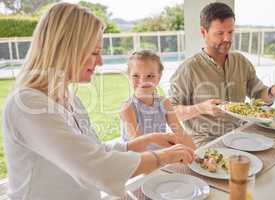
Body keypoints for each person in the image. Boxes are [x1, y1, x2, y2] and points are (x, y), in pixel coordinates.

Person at [2, 3, 195, 200]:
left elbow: (93, 149)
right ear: (65, 49)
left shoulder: (70, 99)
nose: (101, 62)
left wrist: (150, 139)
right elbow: (96, 166)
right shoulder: (28, 104)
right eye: (94, 53)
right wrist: (164, 156)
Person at [169, 2, 275, 146]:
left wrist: (272, 92)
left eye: (230, 32)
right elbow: (170, 111)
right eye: (220, 33)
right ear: (203, 32)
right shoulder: (189, 69)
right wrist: (201, 108)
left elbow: (259, 94)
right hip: (207, 143)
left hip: (241, 134)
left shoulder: (240, 61)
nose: (227, 39)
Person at [120, 50, 196, 150]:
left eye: (150, 76)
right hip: (137, 160)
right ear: (129, 77)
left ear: (159, 77)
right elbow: (138, 145)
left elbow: (180, 133)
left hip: (160, 156)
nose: (143, 81)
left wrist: (198, 154)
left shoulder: (164, 103)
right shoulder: (128, 108)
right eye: (136, 76)